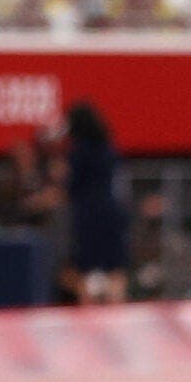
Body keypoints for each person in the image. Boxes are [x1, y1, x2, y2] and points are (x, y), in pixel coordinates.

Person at [63, 100, 128, 302]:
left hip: (89, 213)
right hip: (112, 210)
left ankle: (88, 309)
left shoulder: (80, 151)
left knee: (83, 269)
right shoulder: (108, 148)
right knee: (115, 269)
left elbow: (73, 185)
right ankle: (117, 310)